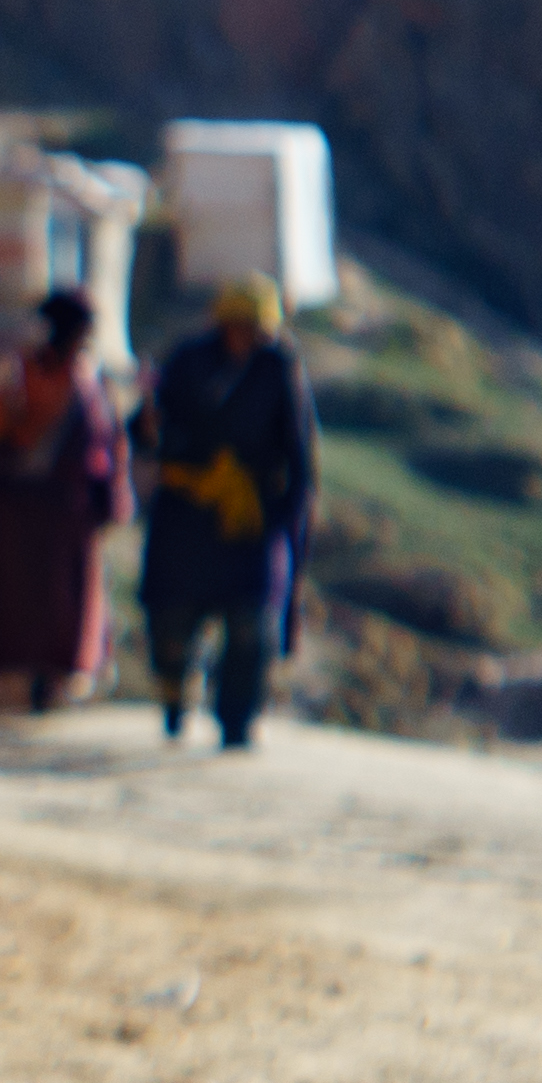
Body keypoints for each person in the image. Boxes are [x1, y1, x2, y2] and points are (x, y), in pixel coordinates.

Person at [130, 276, 316, 749]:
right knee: (172, 619)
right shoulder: (187, 361)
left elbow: (298, 453)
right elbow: (146, 430)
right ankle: (176, 696)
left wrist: (286, 518)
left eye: (256, 329)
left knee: (251, 624)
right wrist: (148, 427)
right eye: (239, 326)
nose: (247, 337)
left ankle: (237, 719)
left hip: (249, 517)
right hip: (186, 512)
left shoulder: (279, 370)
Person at [0, 290, 129, 715]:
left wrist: (111, 500)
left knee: (63, 603)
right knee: (16, 602)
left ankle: (52, 686)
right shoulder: (24, 375)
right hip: (18, 508)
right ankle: (17, 690)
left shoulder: (91, 380)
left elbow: (108, 447)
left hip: (66, 512)